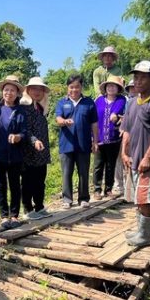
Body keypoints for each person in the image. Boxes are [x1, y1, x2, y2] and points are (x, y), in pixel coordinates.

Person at [120, 61, 150, 246]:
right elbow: (127, 131)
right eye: (136, 77)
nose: (138, 81)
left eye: (142, 77)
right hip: (133, 159)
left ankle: (145, 235)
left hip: (149, 161)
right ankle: (141, 230)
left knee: (145, 199)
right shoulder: (131, 103)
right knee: (137, 198)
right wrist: (124, 153)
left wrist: (148, 157)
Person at [0, 75, 28, 229]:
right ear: (2, 92)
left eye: (12, 90)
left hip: (15, 155)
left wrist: (19, 137)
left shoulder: (21, 111)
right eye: (6, 89)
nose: (8, 93)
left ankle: (15, 215)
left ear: (17, 93)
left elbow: (25, 132)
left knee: (15, 185)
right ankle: (4, 216)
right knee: (0, 185)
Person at [55, 74, 99, 209]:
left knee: (83, 172)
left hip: (84, 143)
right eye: (71, 87)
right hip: (66, 144)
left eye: (77, 87)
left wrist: (95, 141)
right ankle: (67, 199)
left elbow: (94, 124)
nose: (74, 90)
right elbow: (58, 119)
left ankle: (84, 198)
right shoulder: (62, 102)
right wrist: (64, 121)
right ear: (67, 88)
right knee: (66, 173)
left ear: (81, 87)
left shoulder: (89, 102)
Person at [20, 76, 52, 220]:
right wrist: (34, 141)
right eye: (34, 89)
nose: (37, 92)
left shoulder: (41, 108)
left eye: (40, 89)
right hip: (28, 152)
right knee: (28, 181)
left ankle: (39, 206)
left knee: (40, 180)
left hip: (42, 152)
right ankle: (28, 209)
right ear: (28, 90)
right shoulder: (24, 107)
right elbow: (25, 130)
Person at [93, 75, 126, 198]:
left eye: (114, 86)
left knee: (111, 165)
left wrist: (115, 114)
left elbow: (118, 109)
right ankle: (97, 189)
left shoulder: (121, 100)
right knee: (98, 165)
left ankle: (108, 189)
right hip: (100, 138)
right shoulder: (98, 100)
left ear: (118, 88)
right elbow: (94, 119)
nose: (111, 88)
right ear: (105, 88)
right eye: (109, 86)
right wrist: (93, 137)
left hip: (113, 138)